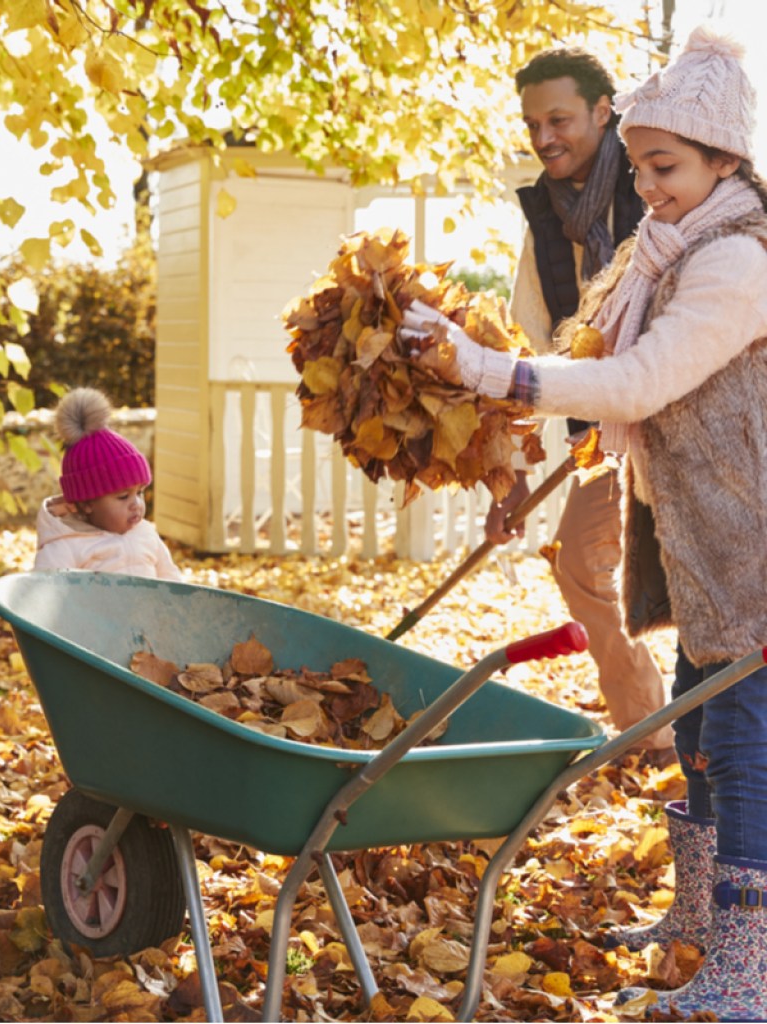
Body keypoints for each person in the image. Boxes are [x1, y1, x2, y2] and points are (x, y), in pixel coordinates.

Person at [403, 27, 767, 1020]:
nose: (645, 188)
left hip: (753, 549)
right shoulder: (666, 250)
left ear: (723, 162)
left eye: (664, 168)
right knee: (697, 728)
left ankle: (750, 967)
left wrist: (486, 372)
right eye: (642, 167)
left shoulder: (734, 263)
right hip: (705, 546)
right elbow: (592, 361)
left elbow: (639, 380)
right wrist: (514, 454)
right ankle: (699, 916)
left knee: (739, 744)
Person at [492, 45, 675, 762]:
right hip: (606, 439)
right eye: (533, 123)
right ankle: (650, 733)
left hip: (687, 423)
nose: (544, 139)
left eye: (560, 119)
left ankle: (723, 745)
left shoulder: (662, 184)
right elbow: (524, 355)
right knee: (578, 563)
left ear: (605, 112)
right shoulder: (543, 224)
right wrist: (509, 474)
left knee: (704, 581)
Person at [34, 387, 183, 581]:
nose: (136, 504)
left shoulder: (146, 535)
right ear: (87, 503)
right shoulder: (66, 547)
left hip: (148, 612)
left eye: (139, 492)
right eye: (123, 496)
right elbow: (45, 596)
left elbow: (173, 583)